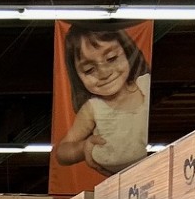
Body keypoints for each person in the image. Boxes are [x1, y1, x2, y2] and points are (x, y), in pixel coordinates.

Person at [53, 22, 151, 175]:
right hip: (118, 181)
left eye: (111, 58)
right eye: (89, 69)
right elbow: (62, 152)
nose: (104, 73)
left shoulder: (145, 85)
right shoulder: (94, 108)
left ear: (127, 51)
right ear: (77, 76)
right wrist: (83, 148)